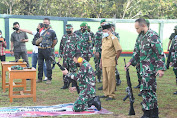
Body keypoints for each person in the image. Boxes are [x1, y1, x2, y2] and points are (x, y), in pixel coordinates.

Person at [125, 18, 166, 118]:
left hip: (151, 69)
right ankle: (148, 112)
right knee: (145, 90)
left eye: (137, 28)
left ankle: (152, 113)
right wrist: (130, 61)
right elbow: (136, 52)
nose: (136, 30)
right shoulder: (140, 37)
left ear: (143, 26)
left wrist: (161, 69)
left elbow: (160, 54)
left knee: (149, 91)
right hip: (142, 69)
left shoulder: (153, 36)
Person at [99, 23, 122, 101]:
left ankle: (111, 95)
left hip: (110, 61)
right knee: (105, 79)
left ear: (109, 30)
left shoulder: (113, 38)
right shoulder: (104, 39)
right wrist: (101, 62)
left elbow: (119, 50)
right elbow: (103, 51)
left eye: (105, 31)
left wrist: (115, 59)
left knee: (111, 78)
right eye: (103, 31)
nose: (103, 32)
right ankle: (106, 93)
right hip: (104, 61)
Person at [58, 24, 80, 89]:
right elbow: (61, 47)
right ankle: (66, 84)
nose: (68, 30)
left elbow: (78, 48)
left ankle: (74, 84)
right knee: (64, 70)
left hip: (73, 58)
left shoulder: (76, 37)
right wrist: (60, 56)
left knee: (73, 71)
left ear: (72, 29)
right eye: (67, 29)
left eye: (69, 29)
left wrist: (77, 58)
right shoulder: (64, 37)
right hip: (65, 57)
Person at [36, 18, 58, 84]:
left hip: (47, 49)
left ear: (49, 23)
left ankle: (49, 78)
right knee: (40, 64)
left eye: (46, 22)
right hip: (40, 49)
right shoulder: (41, 31)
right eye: (44, 22)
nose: (45, 23)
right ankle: (39, 78)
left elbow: (55, 40)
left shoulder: (52, 31)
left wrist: (51, 47)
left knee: (48, 64)